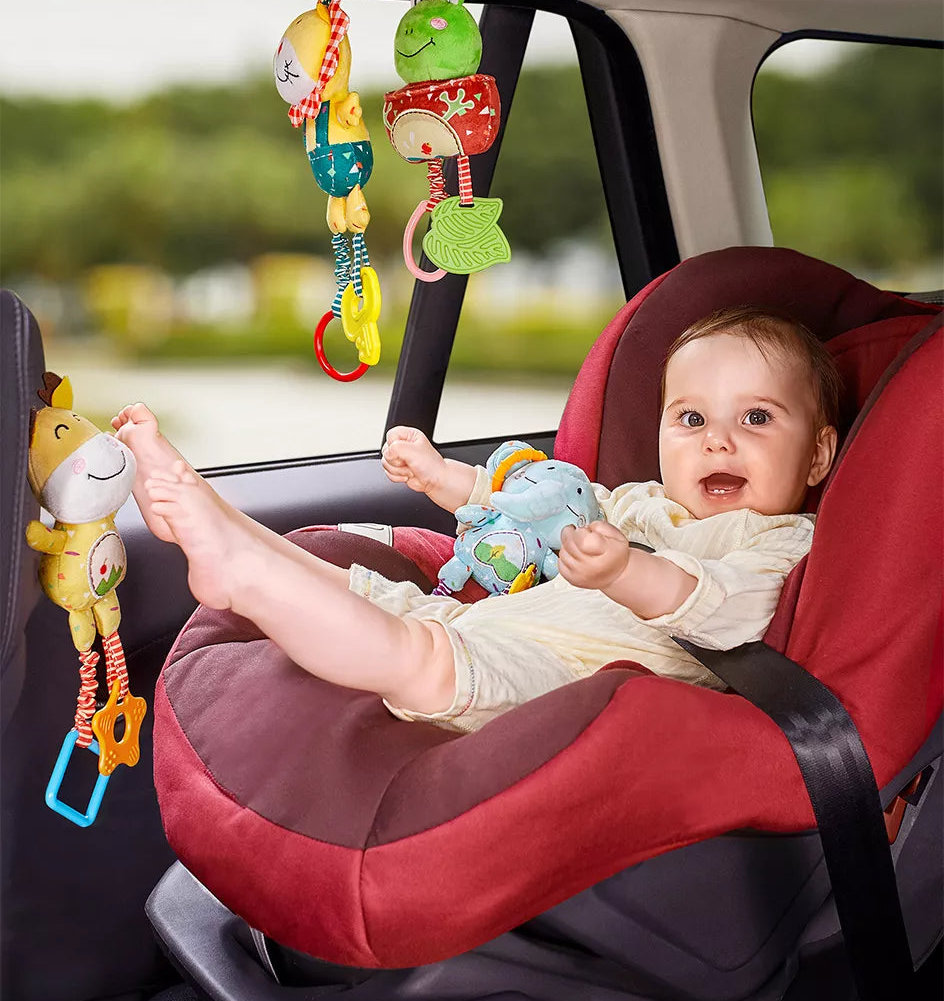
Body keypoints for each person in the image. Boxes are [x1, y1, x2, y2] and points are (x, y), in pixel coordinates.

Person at [114, 307, 839, 735]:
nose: (718, 438)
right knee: (366, 589)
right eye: (690, 418)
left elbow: (728, 609)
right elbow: (544, 507)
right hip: (511, 622)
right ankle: (229, 524)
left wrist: (627, 570)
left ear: (817, 453)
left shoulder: (785, 540)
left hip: (578, 681)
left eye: (757, 417)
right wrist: (453, 482)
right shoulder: (644, 501)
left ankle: (239, 576)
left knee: (418, 657)